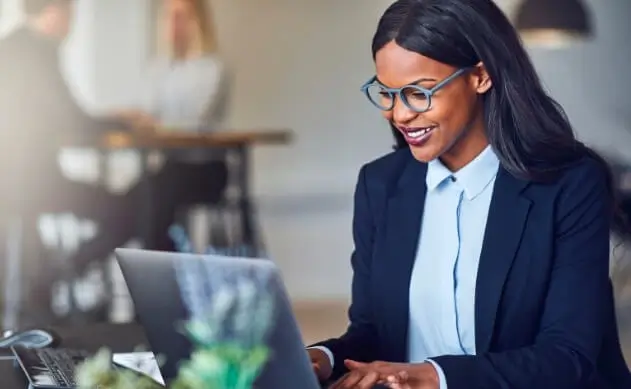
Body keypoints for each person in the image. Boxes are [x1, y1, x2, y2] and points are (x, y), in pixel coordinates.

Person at [306, 0, 631, 388]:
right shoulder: (381, 186)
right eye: (387, 93)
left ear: (481, 75)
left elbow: (567, 356)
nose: (399, 114)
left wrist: (435, 377)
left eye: (419, 93)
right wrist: (319, 358)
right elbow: (373, 333)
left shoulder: (570, 184)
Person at [0, 0, 136, 326]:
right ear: (54, 12)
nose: (71, 25)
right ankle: (68, 265)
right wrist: (123, 121)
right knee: (129, 209)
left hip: (11, 187)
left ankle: (52, 273)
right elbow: (71, 119)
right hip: (33, 186)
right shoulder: (40, 52)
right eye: (71, 14)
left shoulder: (7, 48)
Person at [116, 0, 229, 251]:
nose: (174, 24)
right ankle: (74, 263)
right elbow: (144, 111)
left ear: (198, 22)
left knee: (150, 200)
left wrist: (153, 123)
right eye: (169, 17)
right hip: (168, 167)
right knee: (126, 204)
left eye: (181, 17)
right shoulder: (158, 68)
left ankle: (71, 264)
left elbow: (196, 120)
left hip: (204, 170)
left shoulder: (212, 68)